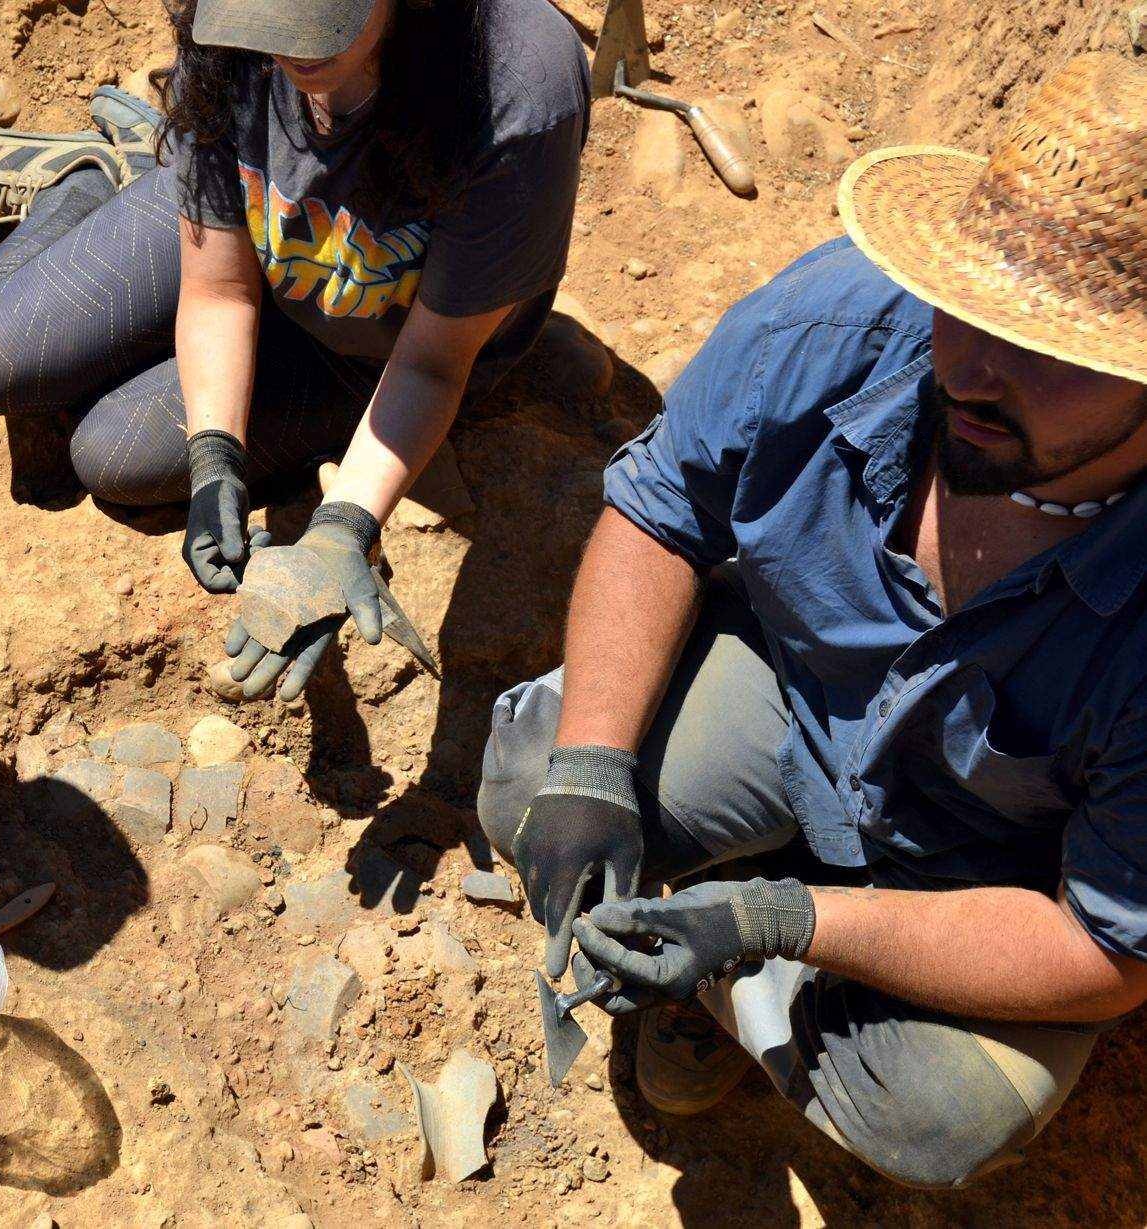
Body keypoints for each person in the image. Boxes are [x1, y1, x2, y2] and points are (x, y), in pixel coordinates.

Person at [477, 54, 1147, 1188]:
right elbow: (660, 509)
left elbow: (1102, 947)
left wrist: (780, 919)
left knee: (939, 1113)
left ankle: (735, 965)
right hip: (796, 694)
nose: (973, 371)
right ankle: (722, 929)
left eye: (1047, 351)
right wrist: (594, 765)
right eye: (967, 309)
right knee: (533, 779)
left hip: (990, 863)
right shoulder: (843, 316)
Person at [0, 0, 589, 699]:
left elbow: (431, 362)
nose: (293, 55)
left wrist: (342, 528)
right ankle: (89, 179)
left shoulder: (512, 87)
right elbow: (220, 292)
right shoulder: (227, 26)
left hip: (375, 345)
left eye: (318, 24)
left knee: (110, 456)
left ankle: (137, 182)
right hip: (264, 245)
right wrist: (215, 453)